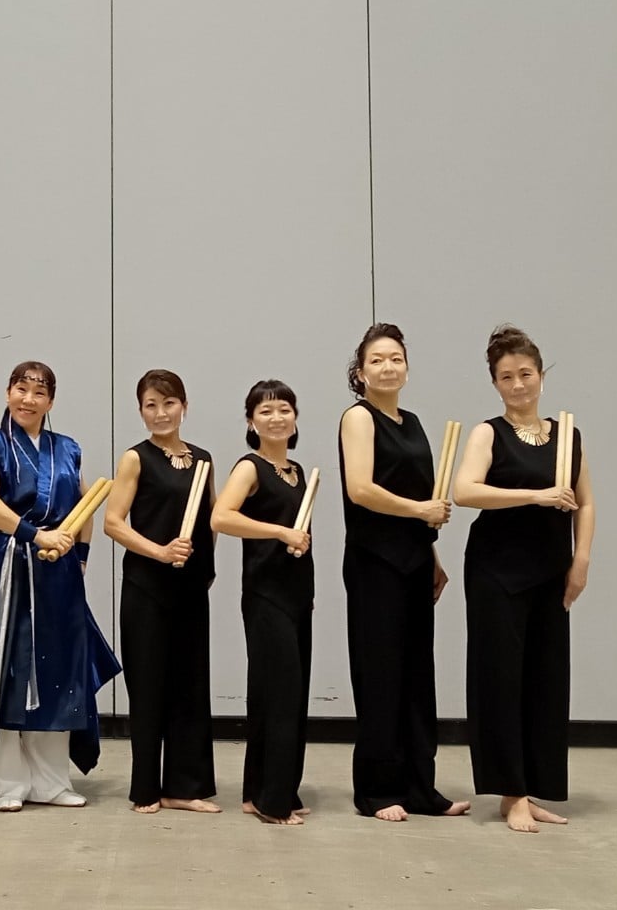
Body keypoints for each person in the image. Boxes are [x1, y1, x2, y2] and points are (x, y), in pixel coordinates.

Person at [0, 361, 120, 812]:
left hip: (59, 570)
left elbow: (84, 506)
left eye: (39, 392)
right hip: (13, 561)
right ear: (8, 392)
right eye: (21, 389)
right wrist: (34, 535)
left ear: (51, 401)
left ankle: (51, 781)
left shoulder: (67, 448)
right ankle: (7, 784)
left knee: (59, 670)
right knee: (8, 667)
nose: (28, 399)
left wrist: (79, 557)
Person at [452, 325, 595, 833]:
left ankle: (533, 787)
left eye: (526, 374)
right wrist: (534, 496)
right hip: (497, 572)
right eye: (506, 377)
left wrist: (580, 560)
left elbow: (585, 501)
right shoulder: (488, 433)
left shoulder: (568, 435)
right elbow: (464, 491)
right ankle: (510, 793)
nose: (518, 384)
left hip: (551, 570)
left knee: (545, 679)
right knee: (501, 678)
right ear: (495, 383)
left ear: (541, 376)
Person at [338, 323, 469, 821]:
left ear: (407, 369)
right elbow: (361, 490)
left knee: (417, 675)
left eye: (396, 358)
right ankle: (376, 790)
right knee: (381, 673)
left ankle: (419, 787)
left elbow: (423, 494)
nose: (387, 367)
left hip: (415, 560)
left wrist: (431, 553)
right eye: (377, 360)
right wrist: (420, 512)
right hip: (375, 562)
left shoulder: (412, 422)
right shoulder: (358, 417)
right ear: (360, 372)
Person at [104, 369, 219, 815]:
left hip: (190, 587)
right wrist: (160, 551)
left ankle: (184, 788)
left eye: (169, 403)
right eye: (151, 405)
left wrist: (204, 567)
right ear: (141, 411)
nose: (161, 413)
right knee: (149, 686)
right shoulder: (136, 459)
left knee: (191, 685)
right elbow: (113, 523)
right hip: (146, 588)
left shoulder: (204, 459)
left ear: (184, 406)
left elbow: (211, 520)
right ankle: (146, 790)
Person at [212, 379, 314, 825]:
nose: (276, 418)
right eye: (266, 411)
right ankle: (273, 802)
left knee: (286, 693)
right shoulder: (249, 467)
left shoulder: (297, 470)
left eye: (284, 409)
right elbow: (221, 517)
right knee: (280, 693)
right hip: (266, 594)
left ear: (295, 418)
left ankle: (265, 791)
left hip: (297, 594)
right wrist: (278, 532)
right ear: (251, 421)